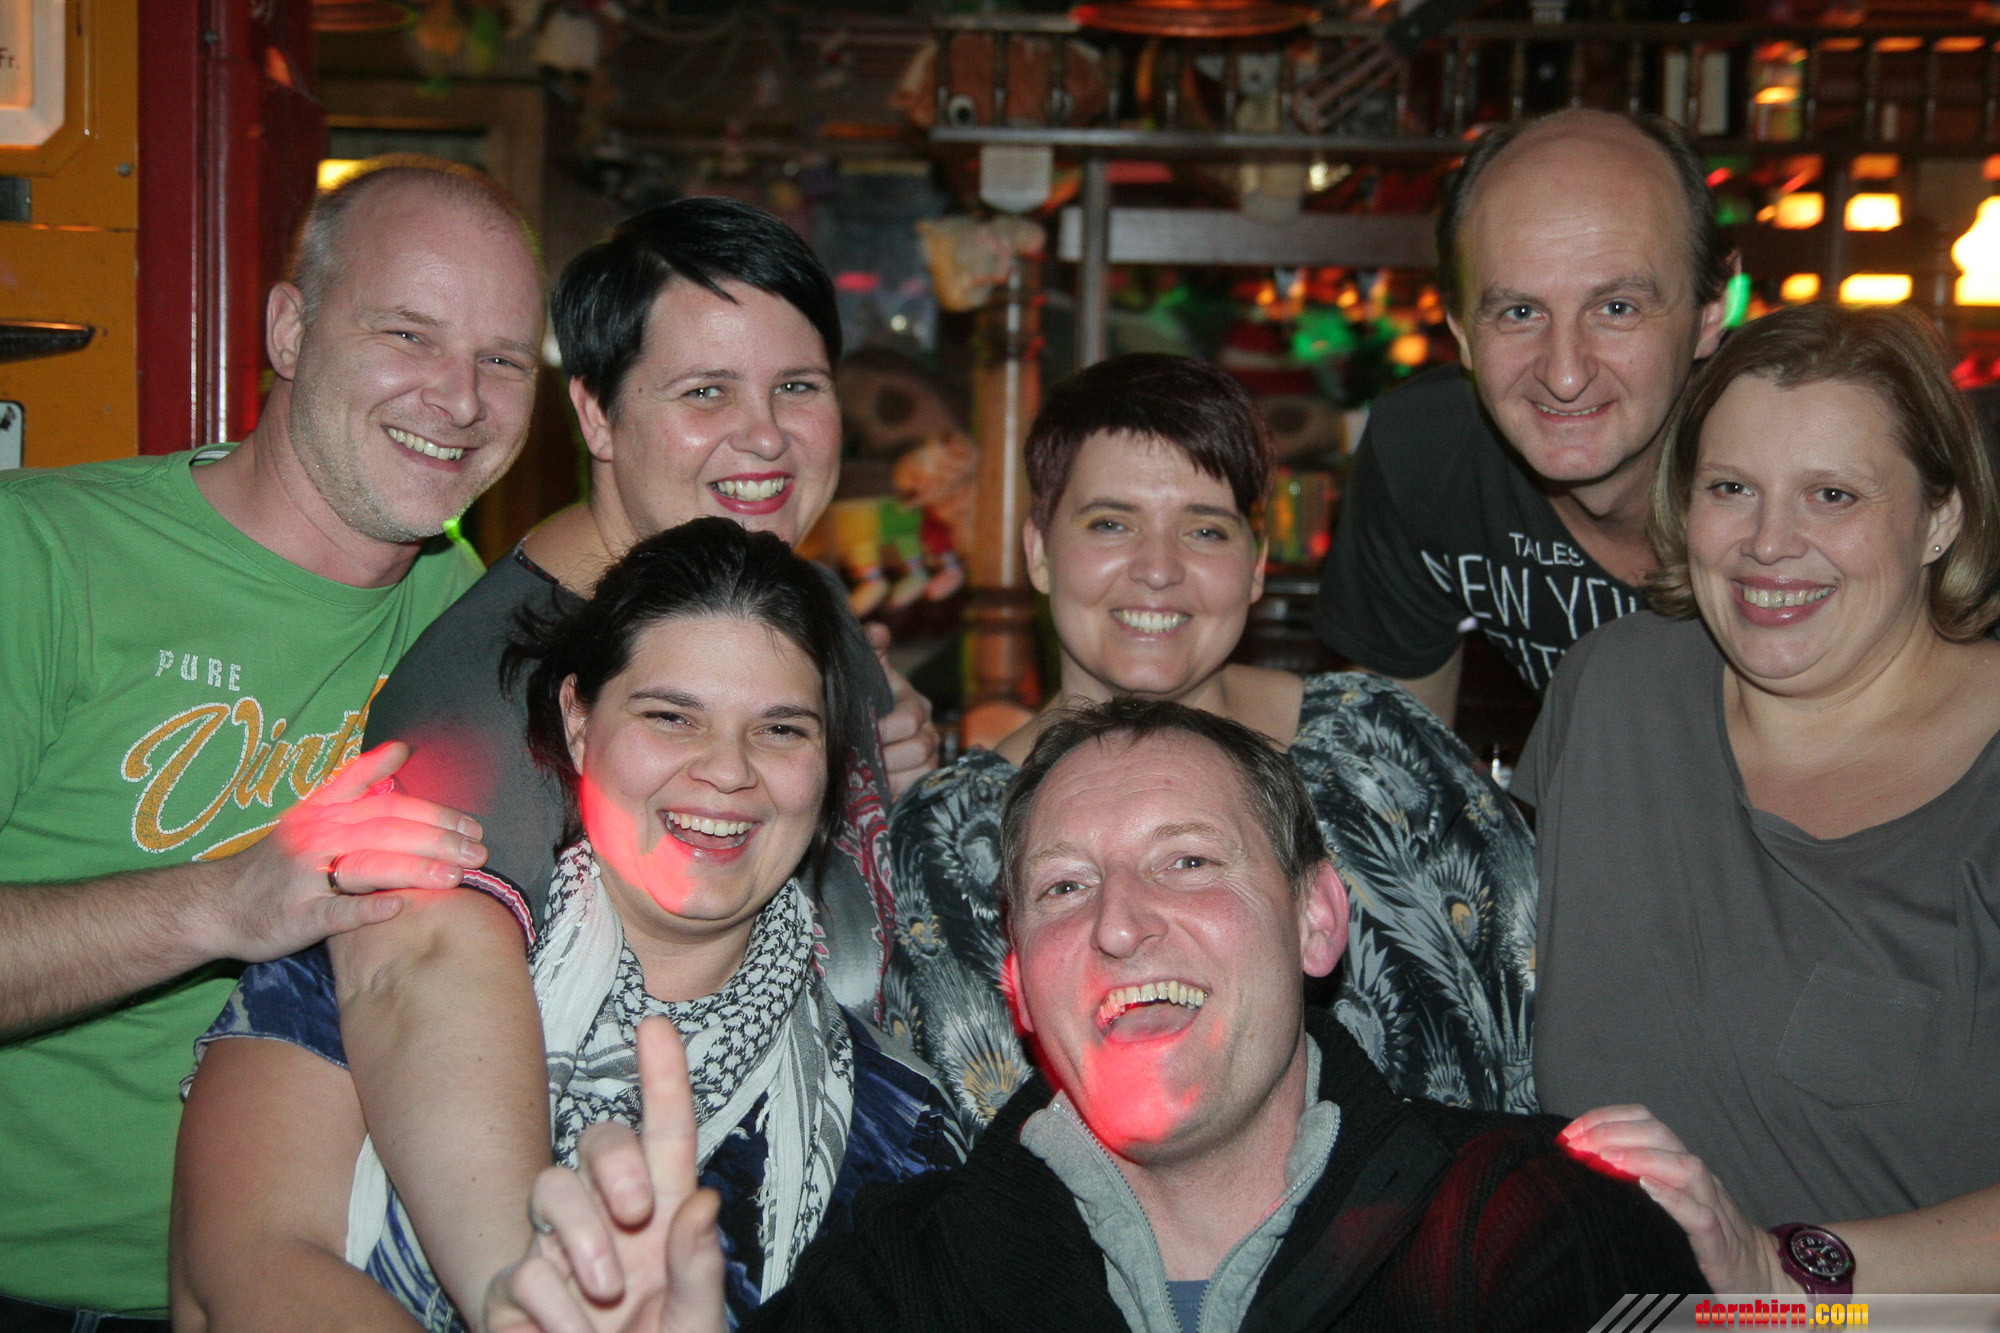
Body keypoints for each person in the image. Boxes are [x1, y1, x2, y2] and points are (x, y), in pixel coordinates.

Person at [211, 197, 941, 1323]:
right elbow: (411, 968)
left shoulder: (788, 595)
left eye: (796, 386)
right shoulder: (489, 693)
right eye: (705, 392)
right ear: (595, 413)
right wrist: (536, 1291)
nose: (765, 436)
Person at [490, 697, 1707, 1333]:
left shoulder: (1534, 1223)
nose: (1120, 923)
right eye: (1065, 888)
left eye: (1188, 862)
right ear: (1018, 988)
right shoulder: (907, 1279)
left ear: (1315, 921)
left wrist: (1792, 1286)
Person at [173, 520, 965, 1331]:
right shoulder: (367, 940)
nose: (728, 769)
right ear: (579, 723)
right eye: (671, 716)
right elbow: (244, 1269)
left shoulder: (902, 1128)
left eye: (781, 729)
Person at [0, 157, 544, 1328]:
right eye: (408, 333)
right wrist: (220, 904)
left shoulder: (477, 622)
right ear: (289, 330)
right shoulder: (38, 559)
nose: (460, 399)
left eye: (503, 360)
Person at [891, 353, 1536, 1127]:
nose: (1158, 569)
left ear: (1255, 565)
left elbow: (1537, 992)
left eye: (1204, 528)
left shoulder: (1377, 749)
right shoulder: (949, 838)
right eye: (1111, 523)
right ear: (1038, 551)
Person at [1521, 303, 2000, 1293]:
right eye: (1730, 488)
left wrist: (1782, 1280)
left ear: (1939, 518)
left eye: (1832, 495)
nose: (1768, 542)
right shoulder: (1613, 691)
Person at [1313, 108, 1733, 719]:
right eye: (1519, 313)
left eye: (1617, 308)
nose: (1565, 376)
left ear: (1712, 308)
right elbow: (1398, 752)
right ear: (1461, 328)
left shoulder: (1800, 472)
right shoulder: (1427, 451)